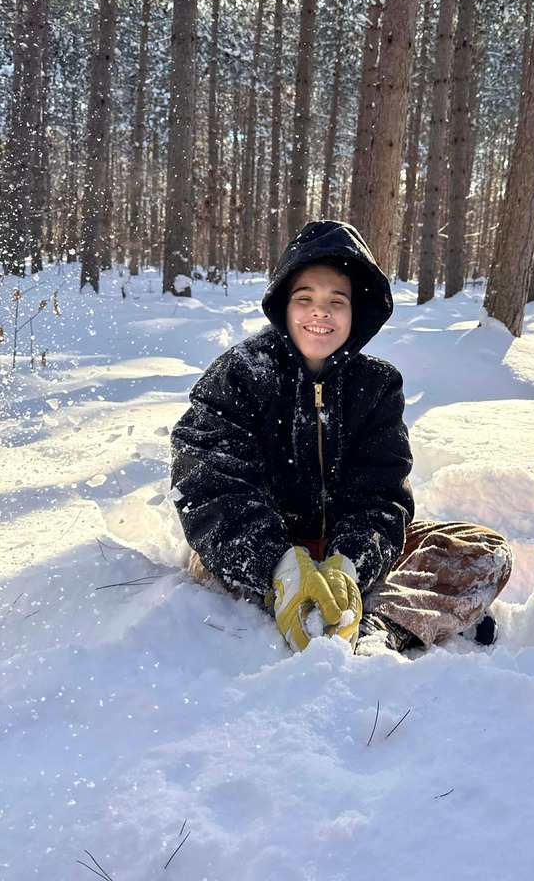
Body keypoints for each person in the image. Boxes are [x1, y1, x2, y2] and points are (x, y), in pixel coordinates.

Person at [171, 220, 513, 654]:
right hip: (262, 551)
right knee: (208, 564)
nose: (321, 312)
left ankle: (376, 628)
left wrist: (348, 564)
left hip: (343, 553)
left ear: (357, 312)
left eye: (337, 300)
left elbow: (382, 496)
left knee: (483, 550)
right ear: (283, 306)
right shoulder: (241, 374)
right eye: (305, 299)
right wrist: (282, 566)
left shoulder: (377, 385)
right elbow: (206, 483)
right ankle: (300, 605)